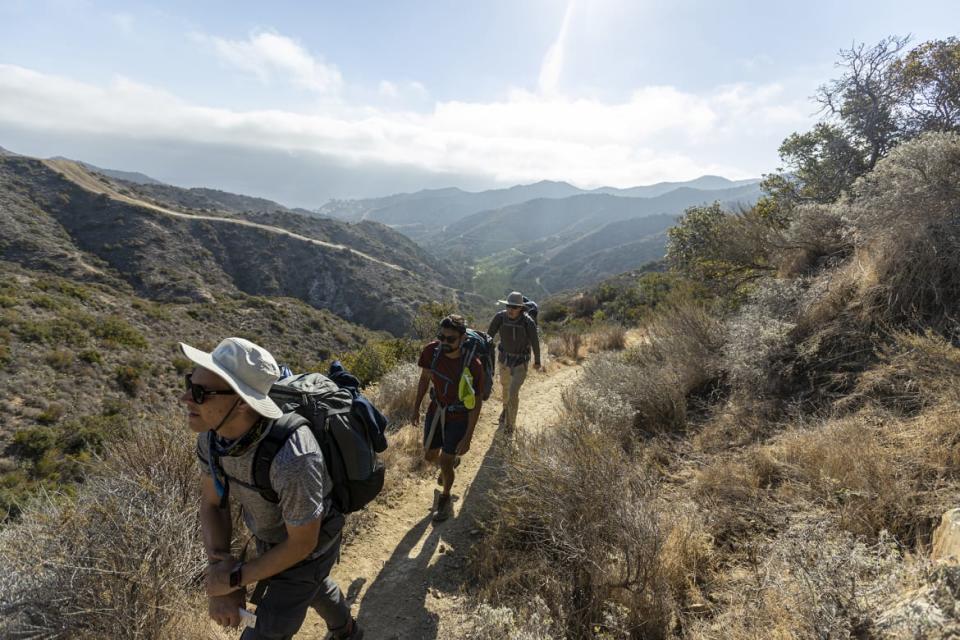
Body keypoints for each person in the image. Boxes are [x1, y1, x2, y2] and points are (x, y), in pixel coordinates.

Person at [180, 337, 363, 639]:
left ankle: (346, 630)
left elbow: (302, 544)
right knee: (313, 587)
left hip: (313, 546)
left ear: (241, 402)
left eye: (200, 392)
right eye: (190, 383)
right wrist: (221, 568)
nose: (186, 397)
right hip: (272, 536)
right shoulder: (212, 437)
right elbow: (212, 503)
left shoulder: (292, 457)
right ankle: (348, 631)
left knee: (273, 620)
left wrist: (234, 579)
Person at [410, 314, 484, 522]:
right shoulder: (431, 352)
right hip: (436, 410)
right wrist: (416, 407)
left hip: (459, 417)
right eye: (441, 337)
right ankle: (449, 464)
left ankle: (445, 497)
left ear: (462, 339)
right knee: (430, 456)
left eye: (450, 339)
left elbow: (477, 402)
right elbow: (425, 379)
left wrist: (468, 436)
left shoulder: (473, 365)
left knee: (445, 459)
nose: (444, 342)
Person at [487, 291, 542, 432]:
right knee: (505, 388)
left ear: (521, 308)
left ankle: (510, 426)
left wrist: (537, 361)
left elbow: (535, 342)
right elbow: (489, 336)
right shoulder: (500, 317)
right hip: (504, 360)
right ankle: (505, 410)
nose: (511, 310)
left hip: (520, 363)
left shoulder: (527, 321)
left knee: (513, 393)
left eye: (514, 307)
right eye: (509, 306)